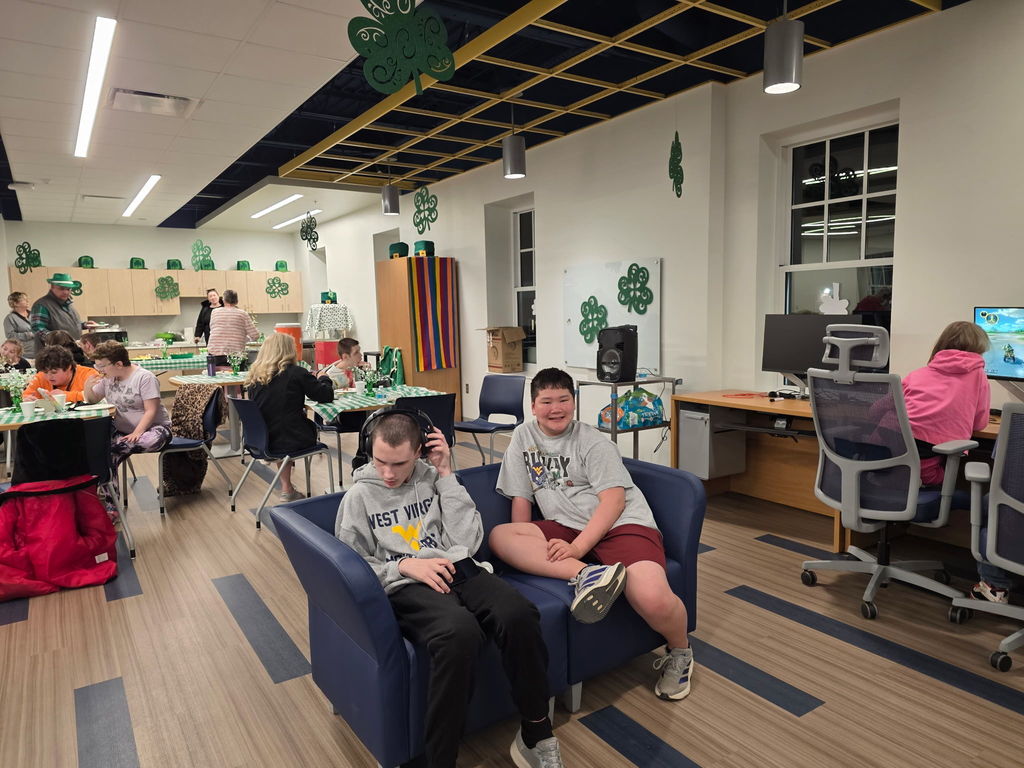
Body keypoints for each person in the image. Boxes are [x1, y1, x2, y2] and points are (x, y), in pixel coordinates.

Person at [335, 408, 564, 768]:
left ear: (419, 452)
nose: (388, 473)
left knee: (518, 613)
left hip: (460, 567)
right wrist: (403, 564)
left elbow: (468, 541)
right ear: (368, 449)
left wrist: (445, 473)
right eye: (381, 462)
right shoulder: (359, 497)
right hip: (409, 583)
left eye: (400, 464)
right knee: (459, 634)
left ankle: (536, 733)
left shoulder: (433, 478)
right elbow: (349, 567)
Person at [490, 367, 694, 702]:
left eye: (563, 400)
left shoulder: (594, 442)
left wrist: (577, 546)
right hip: (564, 524)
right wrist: (522, 551)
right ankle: (591, 575)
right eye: (546, 401)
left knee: (652, 598)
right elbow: (521, 497)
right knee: (501, 536)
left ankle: (681, 651)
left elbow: (613, 503)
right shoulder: (523, 438)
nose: (556, 408)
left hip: (620, 525)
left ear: (574, 402)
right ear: (533, 406)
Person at [902, 321, 1005, 602]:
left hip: (887, 474)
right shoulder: (978, 378)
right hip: (927, 477)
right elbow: (981, 422)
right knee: (985, 500)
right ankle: (992, 578)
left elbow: (884, 409)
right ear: (979, 350)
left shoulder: (916, 374)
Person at [245, 333, 335, 502]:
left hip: (261, 440)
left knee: (281, 422)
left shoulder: (255, 376)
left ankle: (287, 488)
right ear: (288, 351)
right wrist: (324, 378)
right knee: (290, 425)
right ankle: (290, 490)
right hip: (291, 437)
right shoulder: (297, 373)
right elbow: (325, 395)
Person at [84, 341, 172, 466]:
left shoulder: (145, 378)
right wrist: (87, 387)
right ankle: (108, 484)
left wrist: (137, 432)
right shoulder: (108, 378)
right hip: (123, 432)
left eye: (102, 366)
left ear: (119, 364)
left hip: (153, 429)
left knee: (149, 441)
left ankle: (111, 447)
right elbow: (92, 400)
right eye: (96, 366)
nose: (99, 370)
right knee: (98, 447)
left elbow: (151, 410)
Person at [318, 337, 369, 433]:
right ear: (345, 357)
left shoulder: (355, 369)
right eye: (356, 353)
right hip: (339, 414)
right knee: (371, 418)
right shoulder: (331, 375)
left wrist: (367, 373)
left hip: (357, 409)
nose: (361, 355)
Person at [22, 344, 99, 403]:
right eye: (45, 372)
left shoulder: (89, 374)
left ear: (68, 367)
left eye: (54, 372)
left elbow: (97, 396)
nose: (49, 377)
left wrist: (65, 396)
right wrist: (27, 399)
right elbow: (25, 395)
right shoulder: (40, 376)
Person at [30, 272, 88, 347]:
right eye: (61, 288)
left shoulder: (68, 304)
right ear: (52, 287)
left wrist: (84, 325)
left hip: (72, 350)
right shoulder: (42, 305)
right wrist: (57, 339)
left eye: (68, 289)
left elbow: (67, 325)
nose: (66, 292)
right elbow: (38, 329)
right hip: (53, 354)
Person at [207, 289, 259, 367]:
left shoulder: (214, 312)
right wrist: (243, 338)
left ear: (223, 300)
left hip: (215, 354)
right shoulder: (242, 314)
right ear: (236, 301)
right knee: (236, 377)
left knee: (216, 377)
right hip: (235, 355)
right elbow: (255, 335)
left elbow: (213, 329)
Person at [4, 291, 37, 360]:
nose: (27, 301)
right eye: (24, 300)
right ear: (15, 303)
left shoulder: (34, 314)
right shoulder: (10, 318)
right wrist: (29, 335)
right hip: (25, 356)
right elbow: (10, 336)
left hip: (39, 353)